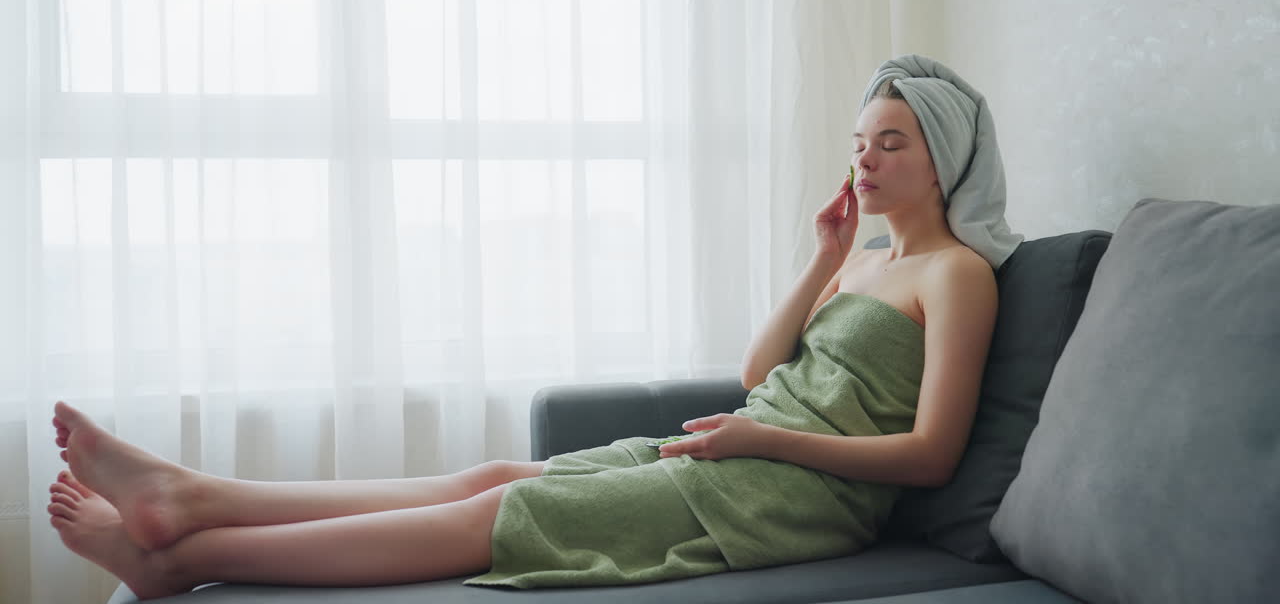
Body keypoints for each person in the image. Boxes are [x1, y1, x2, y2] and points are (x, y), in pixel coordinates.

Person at [46, 54, 1022, 599]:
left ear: (942, 161)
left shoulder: (959, 275)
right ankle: (195, 496)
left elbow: (931, 455)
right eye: (858, 143)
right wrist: (821, 256)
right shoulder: (861, 259)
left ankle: (182, 556)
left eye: (890, 143)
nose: (864, 160)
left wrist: (763, 440)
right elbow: (759, 370)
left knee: (500, 516)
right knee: (491, 475)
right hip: (743, 456)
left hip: (798, 497)